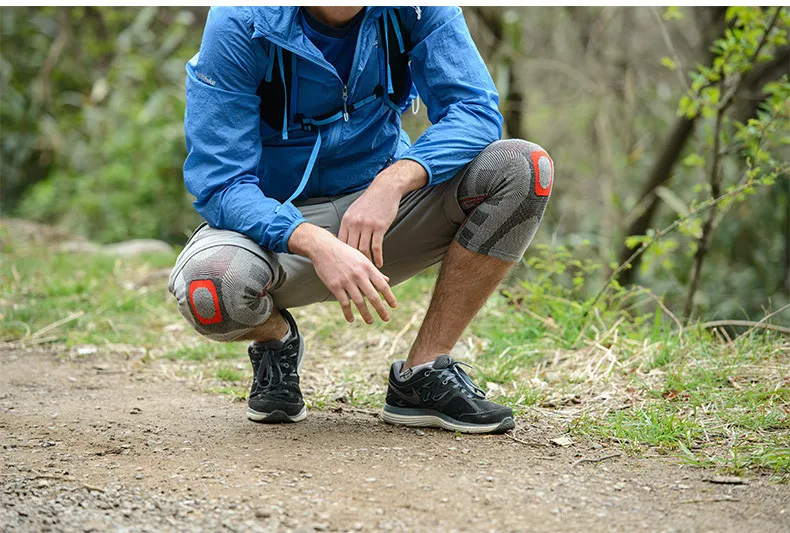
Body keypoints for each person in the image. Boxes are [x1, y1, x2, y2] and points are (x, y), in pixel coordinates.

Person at [168, 6, 553, 434]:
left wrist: (394, 181)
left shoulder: (418, 10)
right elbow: (220, 182)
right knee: (210, 289)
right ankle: (274, 341)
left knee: (523, 166)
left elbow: (475, 110)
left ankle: (422, 373)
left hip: (381, 215)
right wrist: (307, 238)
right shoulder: (241, 20)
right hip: (274, 225)